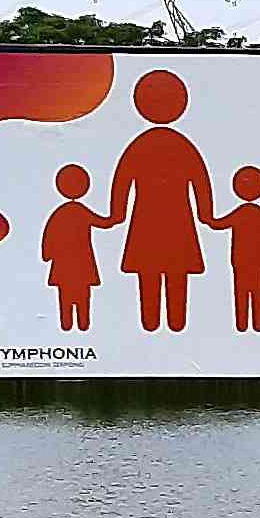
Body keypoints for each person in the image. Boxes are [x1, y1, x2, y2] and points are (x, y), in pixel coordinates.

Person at [109, 69, 213, 333]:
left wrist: (116, 214)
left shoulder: (139, 145)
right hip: (176, 222)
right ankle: (175, 322)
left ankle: (152, 322)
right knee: (173, 273)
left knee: (151, 273)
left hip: (148, 222)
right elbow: (201, 183)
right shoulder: (183, 145)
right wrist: (206, 215)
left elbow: (122, 183)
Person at [205, 164, 260, 332]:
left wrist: (209, 220)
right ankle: (255, 324)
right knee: (257, 291)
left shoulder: (243, 213)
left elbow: (220, 224)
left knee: (243, 291)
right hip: (253, 261)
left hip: (243, 261)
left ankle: (244, 324)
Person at [39, 163, 113, 332]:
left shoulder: (61, 212)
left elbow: (49, 234)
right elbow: (102, 222)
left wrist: (47, 254)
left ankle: (70, 323)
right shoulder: (80, 211)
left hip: (65, 264)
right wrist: (114, 218)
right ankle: (81, 323)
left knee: (67, 295)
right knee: (81, 295)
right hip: (81, 263)